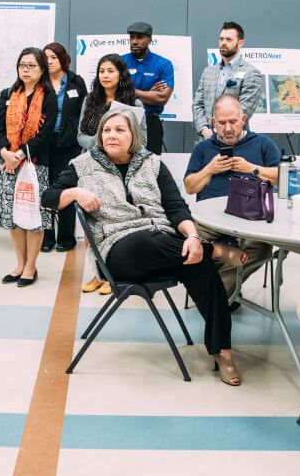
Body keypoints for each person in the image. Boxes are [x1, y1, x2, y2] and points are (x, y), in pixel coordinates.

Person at [43, 108, 240, 384]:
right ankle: (215, 250)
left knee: (200, 265)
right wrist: (75, 192)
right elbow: (48, 197)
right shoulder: (83, 165)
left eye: (119, 130)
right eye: (107, 130)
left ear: (133, 135)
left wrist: (193, 237)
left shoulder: (153, 163)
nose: (111, 135)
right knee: (150, 243)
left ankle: (223, 351)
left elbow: (177, 209)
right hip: (118, 250)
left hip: (163, 241)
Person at [184, 94, 280, 293]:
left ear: (243, 119)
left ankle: (216, 292)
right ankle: (223, 291)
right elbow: (190, 187)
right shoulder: (203, 148)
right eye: (222, 123)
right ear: (213, 123)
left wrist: (252, 169)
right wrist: (210, 169)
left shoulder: (262, 143)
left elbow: (283, 177)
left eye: (233, 122)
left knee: (261, 248)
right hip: (209, 223)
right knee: (186, 239)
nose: (228, 128)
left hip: (251, 222)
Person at [78, 53, 146, 294]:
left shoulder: (134, 105)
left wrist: (117, 149)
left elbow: (142, 140)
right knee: (92, 224)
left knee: (116, 225)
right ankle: (96, 274)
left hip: (121, 171)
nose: (105, 75)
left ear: (121, 75)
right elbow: (80, 135)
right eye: (101, 71)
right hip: (93, 169)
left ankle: (112, 276)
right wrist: (102, 145)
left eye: (110, 71)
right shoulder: (90, 100)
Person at [0, 47, 57, 287]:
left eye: (31, 65)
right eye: (22, 65)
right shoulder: (8, 93)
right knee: (13, 216)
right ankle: (19, 264)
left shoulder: (48, 96)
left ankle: (31, 267)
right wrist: (4, 152)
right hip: (8, 163)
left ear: (41, 70)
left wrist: (21, 154)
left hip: (35, 163)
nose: (25, 70)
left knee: (33, 216)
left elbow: (46, 133)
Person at [41, 42, 87, 253]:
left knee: (66, 189)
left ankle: (66, 237)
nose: (49, 61)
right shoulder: (40, 82)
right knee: (45, 189)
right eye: (46, 57)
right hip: (43, 143)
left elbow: (85, 112)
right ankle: (47, 236)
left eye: (53, 57)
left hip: (69, 144)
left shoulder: (77, 82)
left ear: (63, 59)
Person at [192, 21, 263, 139]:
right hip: (205, 141)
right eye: (221, 39)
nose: (223, 43)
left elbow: (245, 110)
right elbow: (198, 104)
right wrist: (204, 129)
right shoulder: (208, 72)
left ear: (240, 43)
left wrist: (219, 130)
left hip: (234, 141)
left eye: (229, 40)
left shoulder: (251, 73)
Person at [123, 22, 172, 155]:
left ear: (150, 39)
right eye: (132, 37)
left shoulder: (163, 64)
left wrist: (131, 91)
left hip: (151, 122)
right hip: (125, 120)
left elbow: (161, 98)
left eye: (139, 38)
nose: (134, 41)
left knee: (151, 167)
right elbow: (117, 94)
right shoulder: (120, 62)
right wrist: (149, 93)